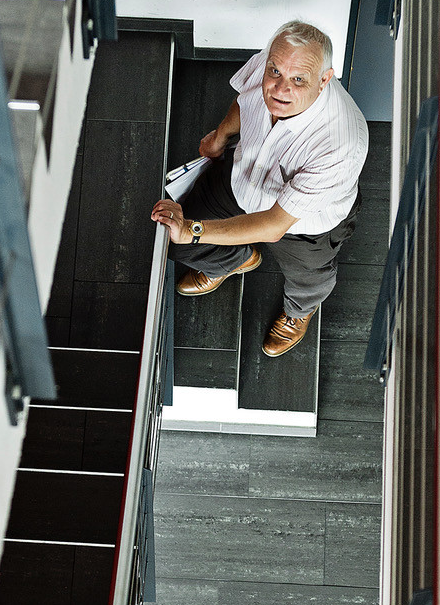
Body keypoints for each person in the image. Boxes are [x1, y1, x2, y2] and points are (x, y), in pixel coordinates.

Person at [151, 20, 368, 357]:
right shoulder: (267, 62)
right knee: (176, 246)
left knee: (309, 278)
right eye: (275, 72)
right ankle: (234, 259)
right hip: (240, 179)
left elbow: (273, 224)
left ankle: (299, 312)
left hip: (304, 224)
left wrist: (193, 229)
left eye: (298, 80)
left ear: (325, 79)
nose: (280, 89)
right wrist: (221, 135)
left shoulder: (341, 143)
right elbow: (245, 101)